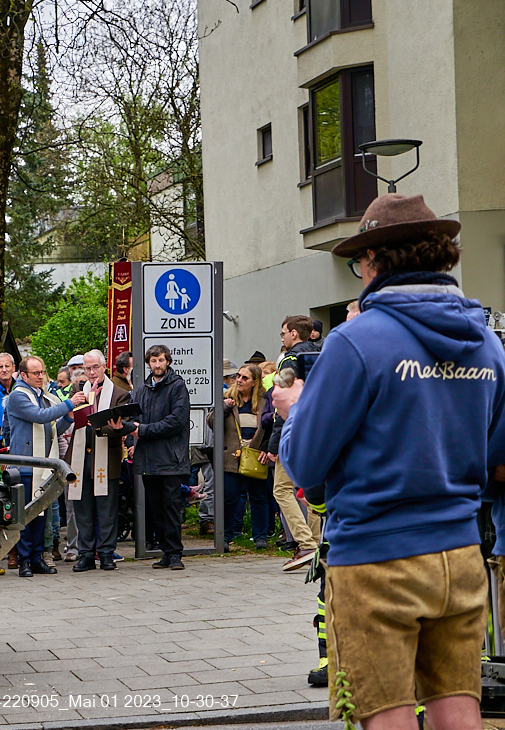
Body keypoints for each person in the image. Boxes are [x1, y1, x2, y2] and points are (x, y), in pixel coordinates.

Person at [276, 192, 505, 730]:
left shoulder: (356, 341)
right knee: (458, 706)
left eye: (359, 264)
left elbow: (306, 468)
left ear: (377, 261)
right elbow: (497, 462)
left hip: (376, 557)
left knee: (385, 713)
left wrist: (296, 410)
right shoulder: (488, 345)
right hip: (462, 556)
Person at [4, 356, 86, 577]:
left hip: (42, 464)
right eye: (35, 373)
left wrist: (67, 418)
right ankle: (24, 561)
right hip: (25, 465)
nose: (41, 376)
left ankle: (37, 557)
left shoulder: (43, 396)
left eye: (42, 372)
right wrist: (69, 403)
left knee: (41, 515)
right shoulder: (18, 396)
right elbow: (40, 417)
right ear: (23, 375)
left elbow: (50, 431)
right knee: (26, 516)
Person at [68, 350, 132, 572]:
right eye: (87, 369)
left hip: (106, 457)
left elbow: (125, 426)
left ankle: (105, 553)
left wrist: (110, 427)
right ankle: (85, 554)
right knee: (83, 508)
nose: (92, 372)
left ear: (104, 367)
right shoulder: (78, 389)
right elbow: (72, 418)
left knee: (106, 509)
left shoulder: (119, 394)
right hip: (80, 457)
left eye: (95, 367)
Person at [266, 315, 322, 571]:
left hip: (296, 430)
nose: (282, 338)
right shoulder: (321, 353)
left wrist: (275, 443)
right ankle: (319, 542)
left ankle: (305, 543)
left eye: (283, 333)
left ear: (294, 334)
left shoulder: (290, 359)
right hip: (319, 430)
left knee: (281, 489)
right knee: (312, 489)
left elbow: (283, 403)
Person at [130, 344, 191, 570]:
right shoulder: (142, 389)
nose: (157, 365)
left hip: (171, 458)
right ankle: (166, 552)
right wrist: (128, 436)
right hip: (148, 459)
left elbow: (177, 421)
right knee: (156, 508)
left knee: (171, 507)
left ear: (168, 362)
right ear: (148, 363)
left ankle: (176, 554)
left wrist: (143, 430)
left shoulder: (177, 386)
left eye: (161, 360)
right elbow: (132, 416)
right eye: (153, 361)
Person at [209, 364, 272, 550]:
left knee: (259, 497)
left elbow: (271, 426)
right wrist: (224, 408)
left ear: (255, 382)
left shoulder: (264, 400)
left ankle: (260, 536)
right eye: (238, 376)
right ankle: (226, 536)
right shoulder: (227, 396)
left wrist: (266, 449)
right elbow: (211, 422)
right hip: (231, 456)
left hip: (255, 455)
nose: (239, 380)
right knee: (229, 498)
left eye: (245, 378)